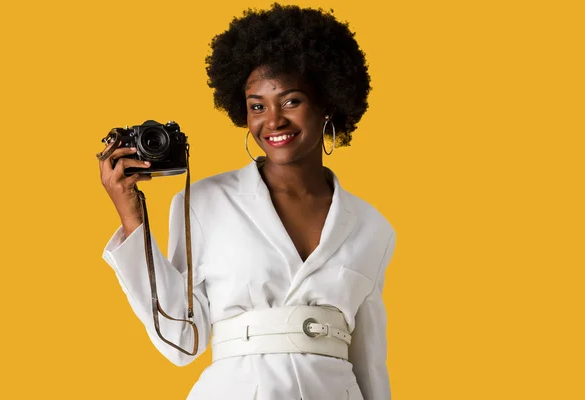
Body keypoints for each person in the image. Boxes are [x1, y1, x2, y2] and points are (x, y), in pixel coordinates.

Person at [99, 3, 396, 399]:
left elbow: (370, 363)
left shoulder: (373, 227)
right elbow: (181, 340)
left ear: (328, 103)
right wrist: (132, 216)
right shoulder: (204, 203)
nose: (272, 121)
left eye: (291, 101)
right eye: (257, 105)